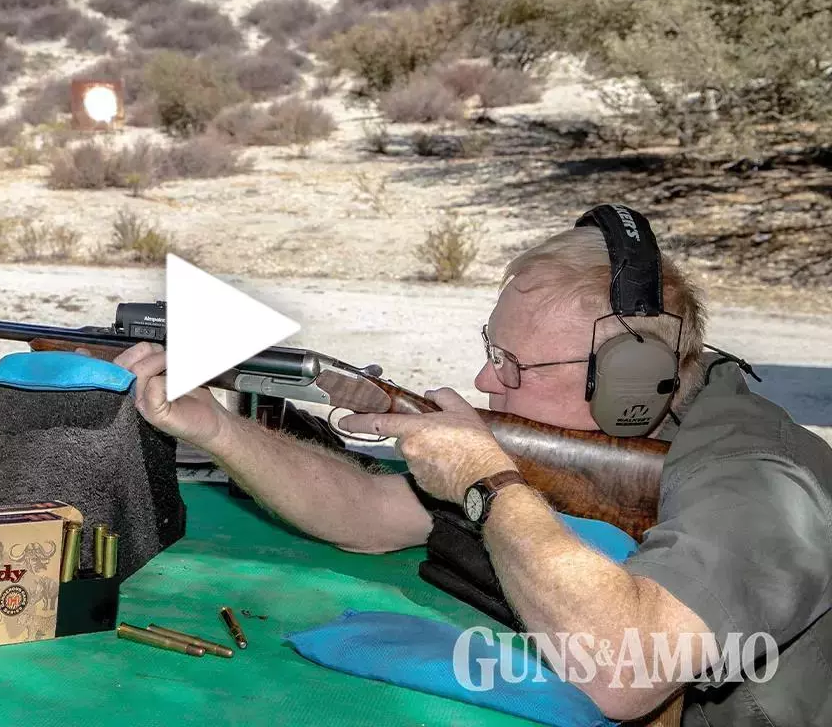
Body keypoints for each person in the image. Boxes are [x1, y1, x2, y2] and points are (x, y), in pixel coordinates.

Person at [106, 205, 832, 726]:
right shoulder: (597, 442)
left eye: (512, 364)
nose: (487, 381)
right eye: (492, 352)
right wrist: (216, 429)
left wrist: (487, 483)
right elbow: (366, 517)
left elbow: (622, 673)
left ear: (630, 382)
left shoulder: (760, 480)